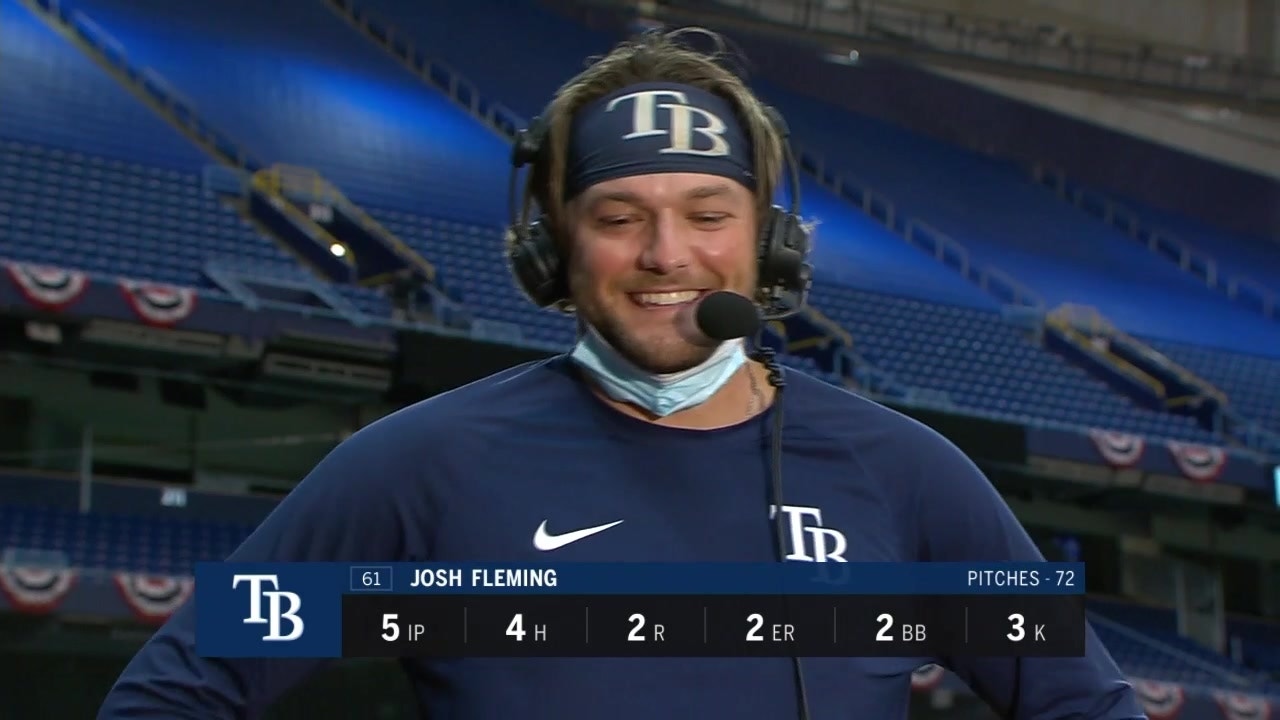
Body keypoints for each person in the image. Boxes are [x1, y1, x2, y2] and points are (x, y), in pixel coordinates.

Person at [99, 28, 1146, 720]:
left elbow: (1088, 705)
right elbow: (175, 693)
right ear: (551, 248)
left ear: (768, 245)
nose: (665, 255)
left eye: (707, 214)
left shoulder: (908, 474)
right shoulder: (422, 465)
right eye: (617, 217)